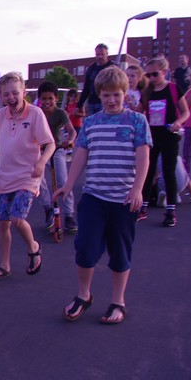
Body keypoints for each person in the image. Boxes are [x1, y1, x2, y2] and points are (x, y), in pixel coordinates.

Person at [56, 67, 151, 325]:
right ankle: (83, 295)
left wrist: (137, 189)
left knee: (120, 251)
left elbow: (143, 156)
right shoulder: (91, 122)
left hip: (123, 200)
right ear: (99, 95)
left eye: (116, 94)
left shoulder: (136, 121)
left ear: (125, 93)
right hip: (94, 197)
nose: (111, 100)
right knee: (85, 247)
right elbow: (81, 155)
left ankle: (118, 301)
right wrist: (69, 184)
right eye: (106, 95)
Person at [0, 72, 54, 282]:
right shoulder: (0, 116)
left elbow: (50, 143)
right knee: (3, 223)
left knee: (17, 218)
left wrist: (41, 162)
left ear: (23, 91)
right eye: (6, 94)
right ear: (0, 96)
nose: (11, 97)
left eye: (15, 93)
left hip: (27, 176)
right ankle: (4, 265)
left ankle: (33, 247)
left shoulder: (35, 114)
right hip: (5, 176)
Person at [138, 57, 189, 226]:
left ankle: (170, 210)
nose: (151, 78)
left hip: (169, 135)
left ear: (164, 72)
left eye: (155, 74)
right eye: (148, 75)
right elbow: (138, 112)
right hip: (151, 137)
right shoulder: (147, 91)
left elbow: (185, 112)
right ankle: (142, 207)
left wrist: (178, 122)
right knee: (148, 171)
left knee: (168, 172)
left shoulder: (173, 88)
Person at [35, 81, 77, 232]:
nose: (47, 102)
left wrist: (70, 141)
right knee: (38, 181)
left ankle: (69, 215)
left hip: (57, 149)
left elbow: (72, 131)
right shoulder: (36, 113)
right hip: (40, 150)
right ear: (39, 99)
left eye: (50, 98)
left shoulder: (60, 113)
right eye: (44, 99)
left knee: (63, 181)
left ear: (56, 98)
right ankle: (48, 209)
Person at [77, 43, 116, 117]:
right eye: (98, 54)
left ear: (107, 54)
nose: (100, 56)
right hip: (91, 102)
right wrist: (79, 105)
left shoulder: (112, 68)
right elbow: (86, 88)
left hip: (105, 102)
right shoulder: (91, 69)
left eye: (102, 54)